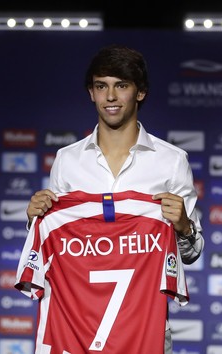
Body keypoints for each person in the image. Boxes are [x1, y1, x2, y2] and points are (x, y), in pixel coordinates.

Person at [15, 44, 204, 353]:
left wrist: (183, 226)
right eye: (101, 86)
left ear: (140, 92)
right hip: (77, 330)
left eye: (121, 86)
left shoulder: (171, 160)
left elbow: (191, 254)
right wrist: (35, 219)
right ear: (92, 93)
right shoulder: (67, 159)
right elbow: (58, 241)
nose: (111, 97)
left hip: (146, 330)